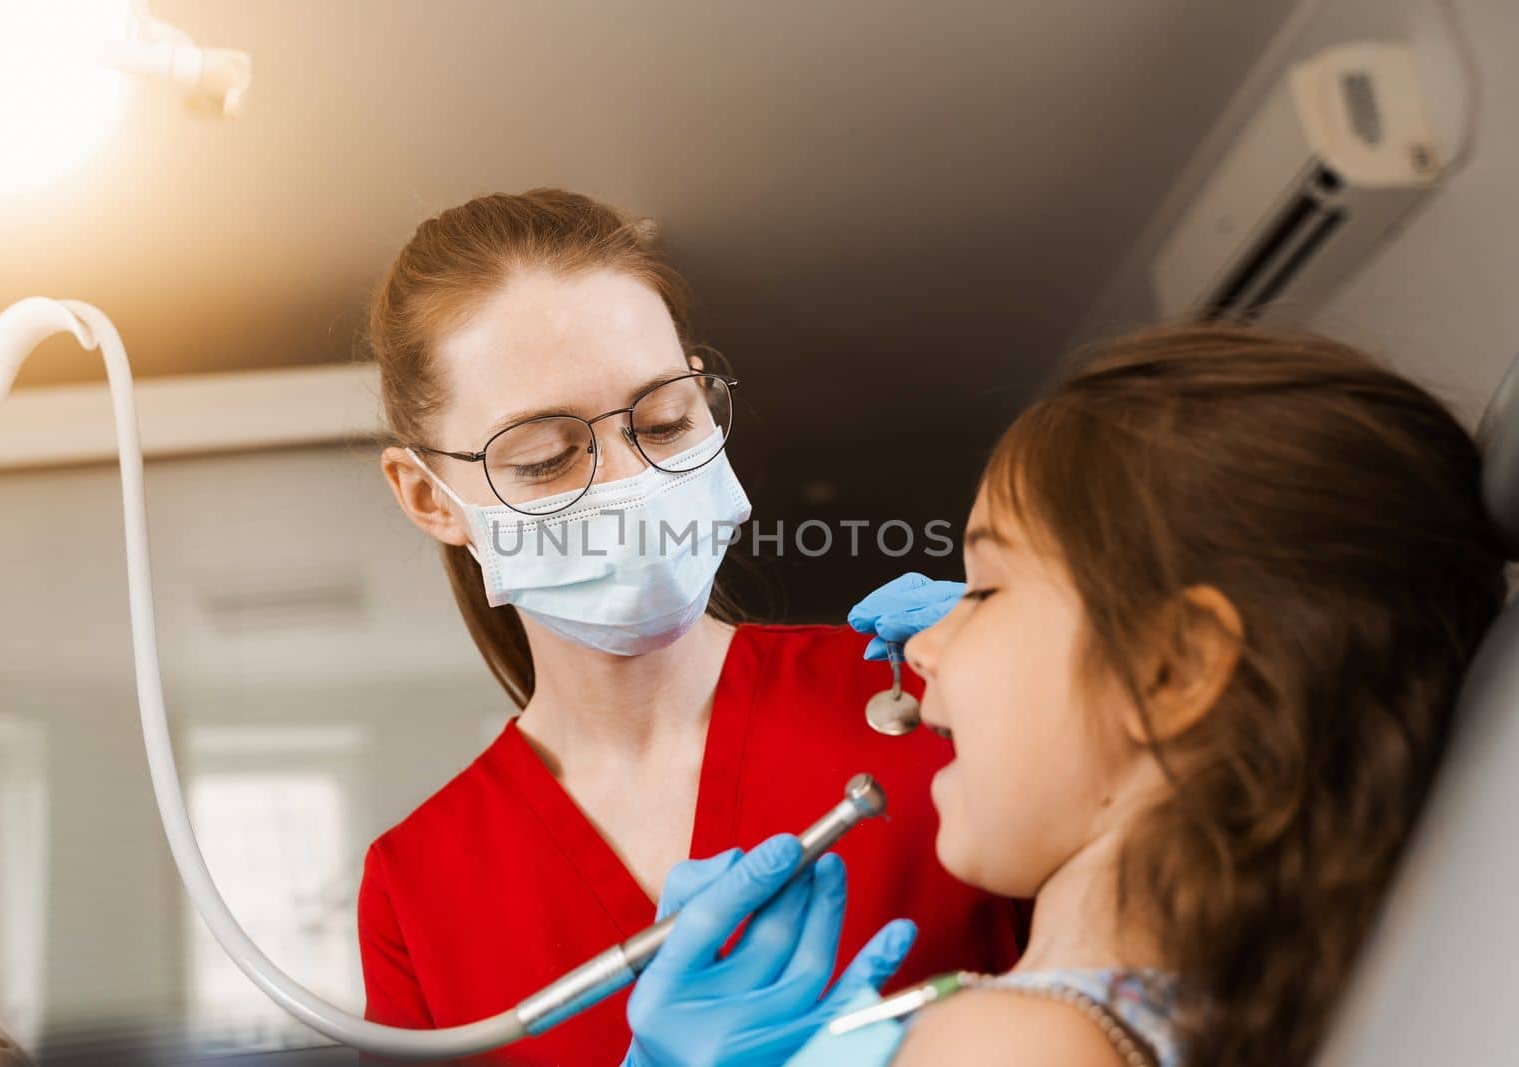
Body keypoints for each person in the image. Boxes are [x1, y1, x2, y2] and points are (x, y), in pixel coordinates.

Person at [625, 324, 1508, 1067]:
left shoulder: (1012, 1045)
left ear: (1171, 670)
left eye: (986, 589)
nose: (924, 645)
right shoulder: (1082, 1023)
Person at [357, 188, 1025, 1065]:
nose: (634, 485)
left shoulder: (936, 698)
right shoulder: (422, 889)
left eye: (666, 419)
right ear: (426, 497)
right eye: (546, 456)